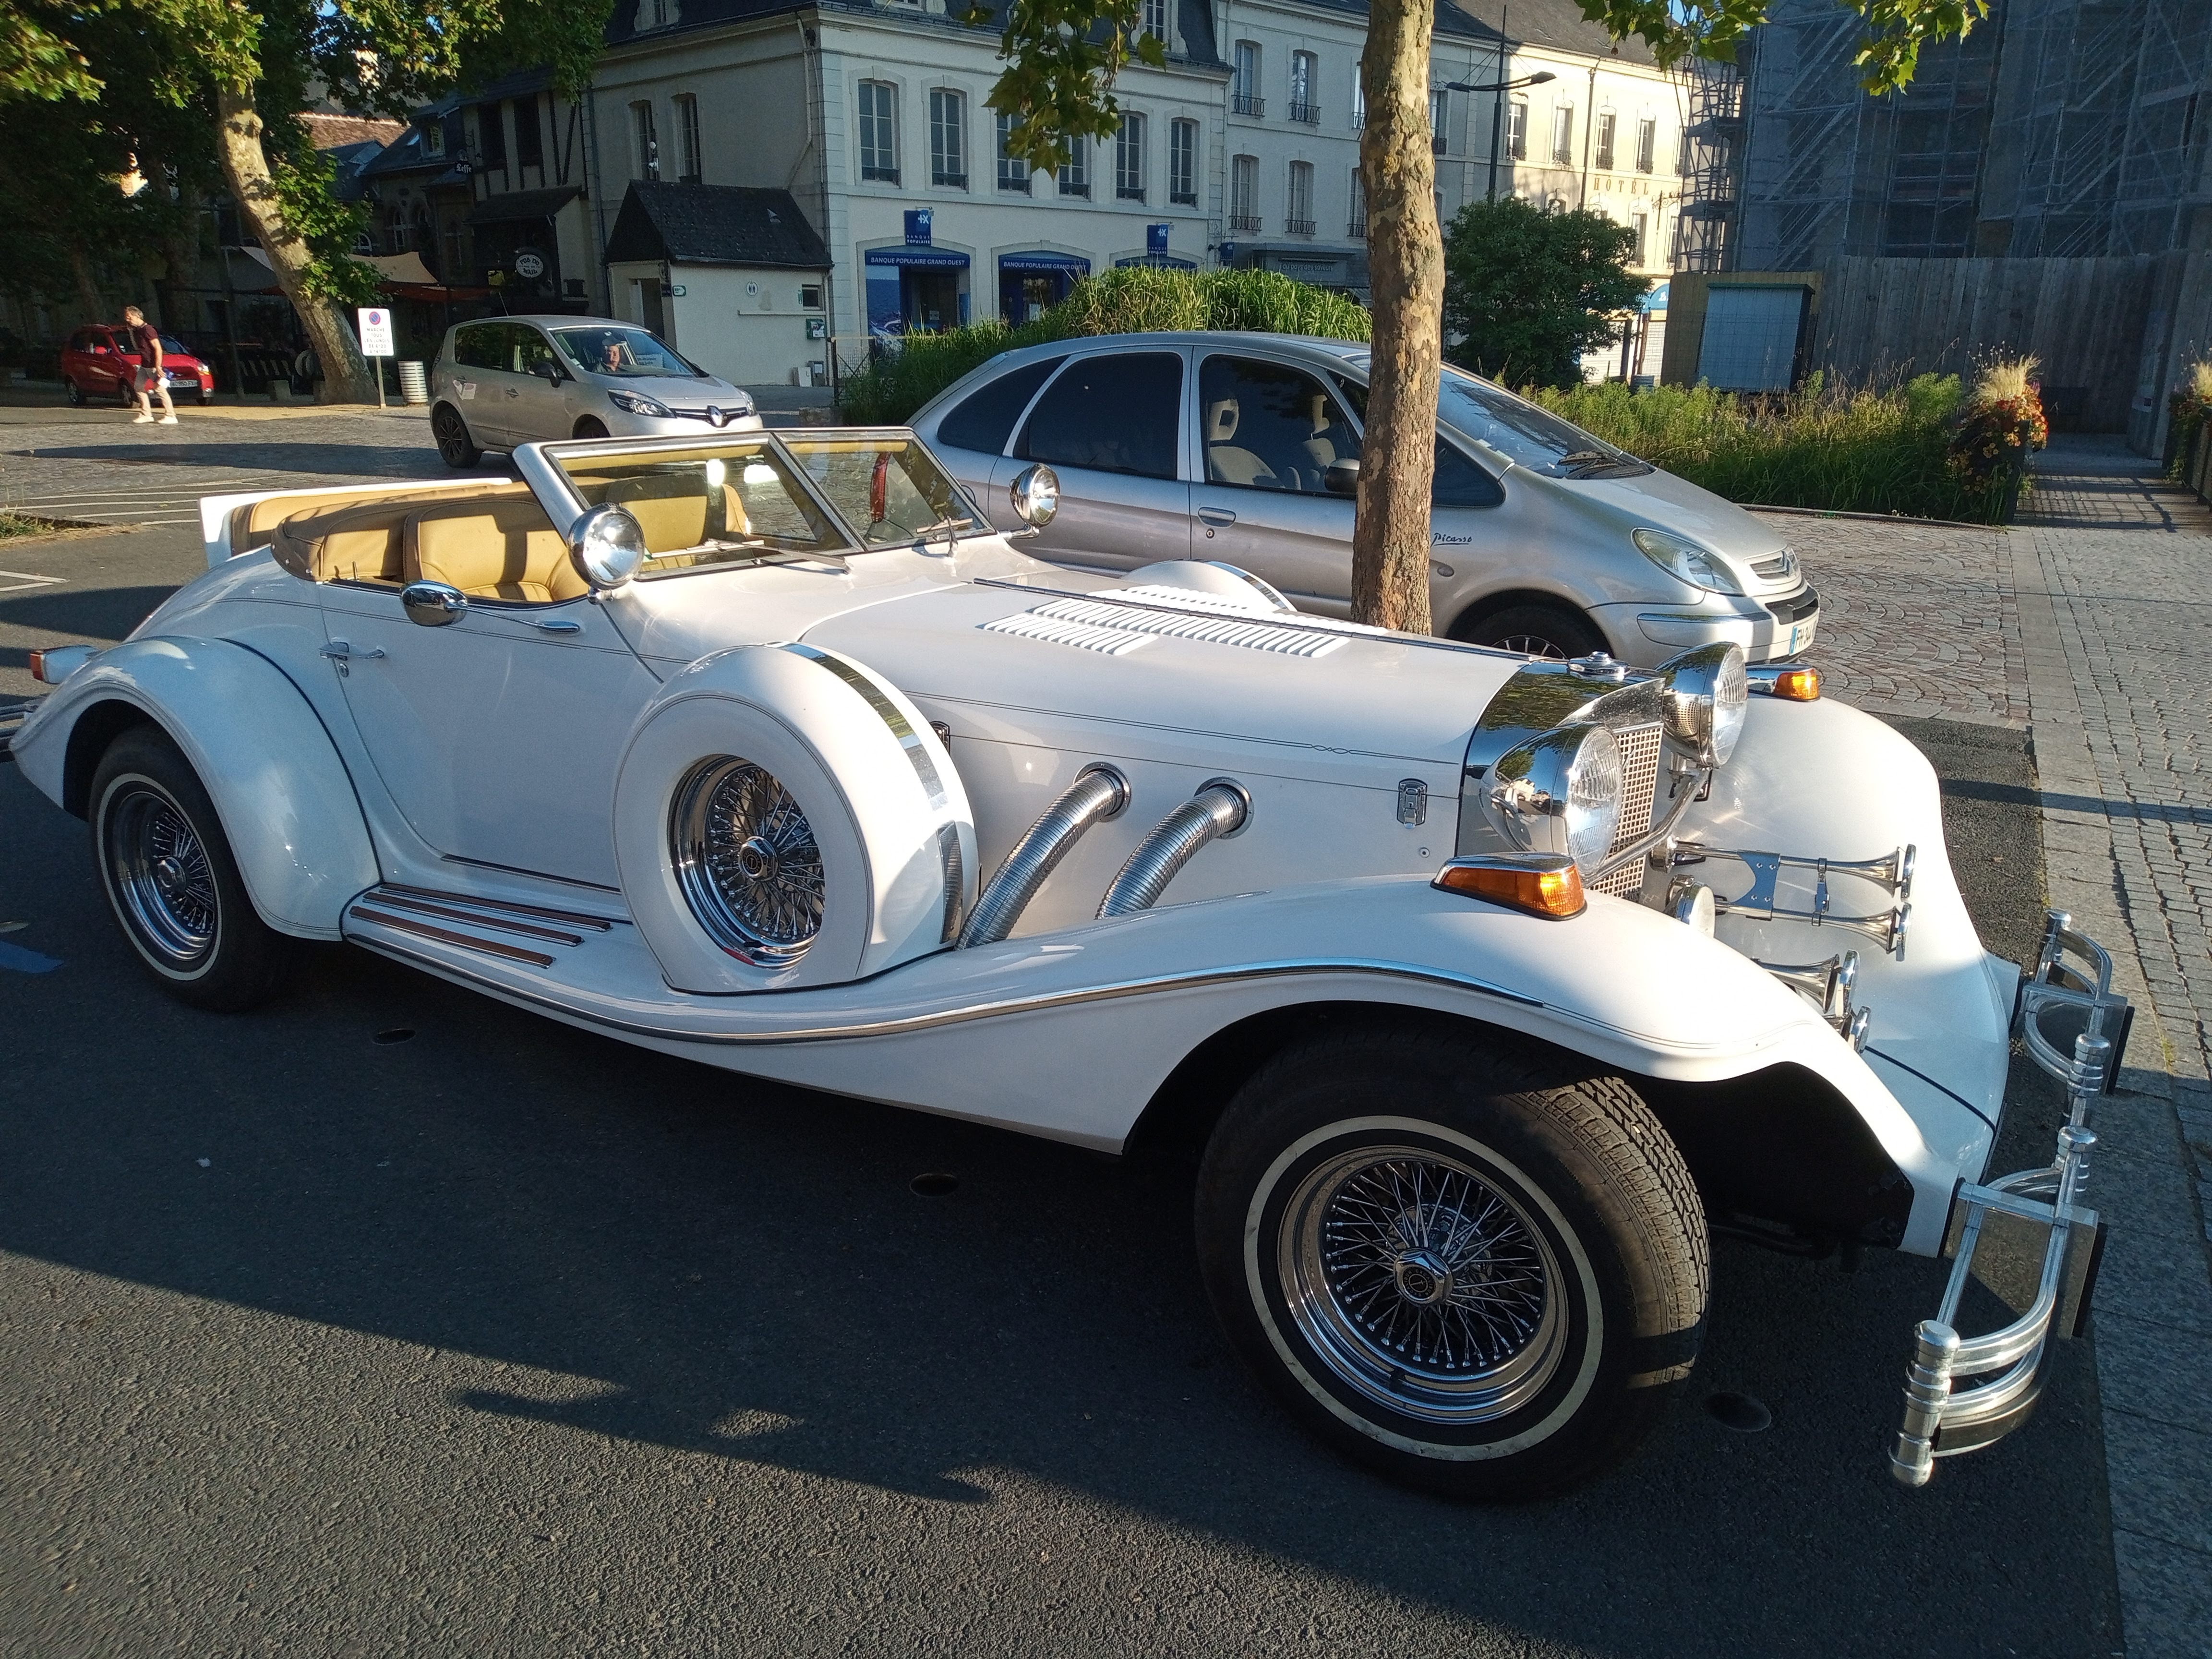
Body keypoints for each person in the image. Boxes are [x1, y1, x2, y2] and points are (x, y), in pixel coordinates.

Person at [121, 306, 176, 425]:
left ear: (137, 316)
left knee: (160, 389)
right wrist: (131, 331)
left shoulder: (148, 330)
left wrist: (158, 366)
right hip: (145, 365)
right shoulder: (137, 330)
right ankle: (146, 414)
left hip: (153, 365)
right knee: (138, 387)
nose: (127, 320)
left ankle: (171, 415)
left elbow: (158, 348)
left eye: (129, 317)